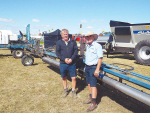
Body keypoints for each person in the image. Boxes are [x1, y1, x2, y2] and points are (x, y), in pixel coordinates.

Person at [83, 31, 103, 112]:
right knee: (89, 84)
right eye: (88, 37)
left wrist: (97, 69)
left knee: (93, 85)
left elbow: (100, 58)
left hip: (93, 67)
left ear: (93, 37)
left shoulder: (97, 46)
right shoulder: (87, 45)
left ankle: (94, 103)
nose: (89, 38)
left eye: (90, 36)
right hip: (87, 67)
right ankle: (90, 98)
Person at [56, 29, 78, 98]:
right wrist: (64, 59)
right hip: (63, 63)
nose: (65, 35)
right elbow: (57, 53)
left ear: (68, 34)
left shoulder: (73, 42)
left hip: (72, 63)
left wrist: (71, 59)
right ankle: (66, 90)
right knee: (64, 77)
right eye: (64, 34)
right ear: (61, 35)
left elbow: (76, 51)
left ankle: (73, 91)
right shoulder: (59, 42)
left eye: (66, 34)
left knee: (73, 78)